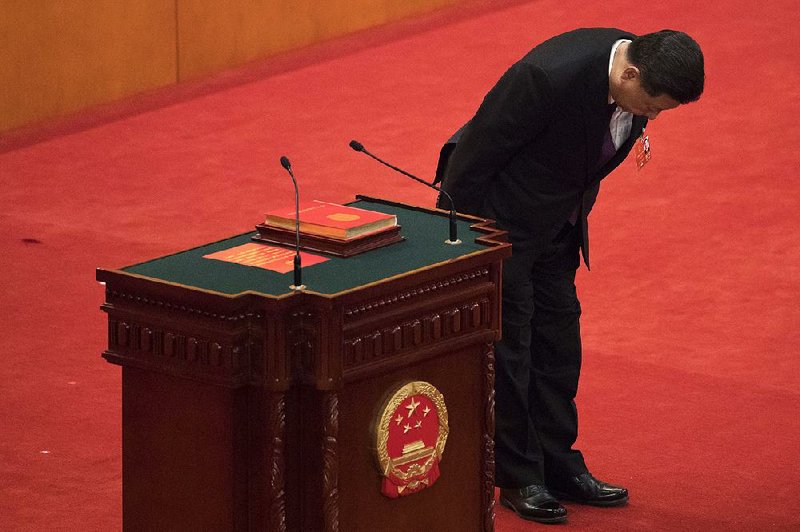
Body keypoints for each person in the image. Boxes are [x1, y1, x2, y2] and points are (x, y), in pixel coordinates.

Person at [435, 28, 704, 524]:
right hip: (502, 228)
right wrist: (461, 239)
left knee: (559, 347)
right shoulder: (545, 78)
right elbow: (476, 153)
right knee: (511, 351)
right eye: (652, 105)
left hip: (559, 226)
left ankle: (559, 465)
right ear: (630, 74)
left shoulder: (636, 71)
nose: (652, 116)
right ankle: (519, 478)